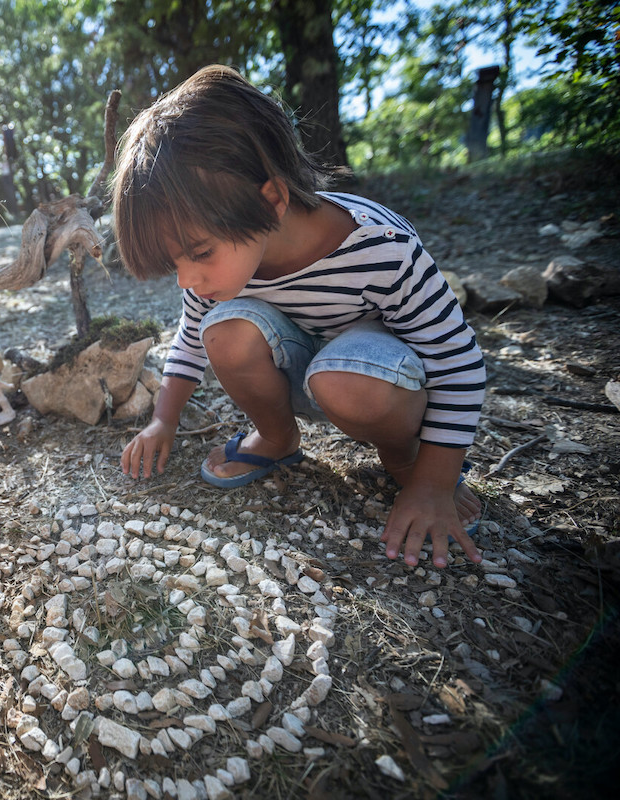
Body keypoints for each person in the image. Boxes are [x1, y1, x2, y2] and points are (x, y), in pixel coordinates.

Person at [115, 65, 485, 573]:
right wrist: (163, 420)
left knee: (346, 380)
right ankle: (277, 435)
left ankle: (405, 460)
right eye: (173, 262)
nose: (186, 279)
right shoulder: (220, 269)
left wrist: (434, 483)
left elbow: (457, 362)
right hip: (301, 370)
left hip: (374, 384)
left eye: (199, 252)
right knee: (221, 330)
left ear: (272, 199)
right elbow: (191, 342)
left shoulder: (381, 248)